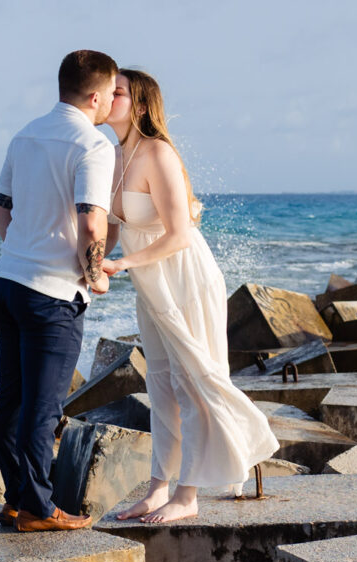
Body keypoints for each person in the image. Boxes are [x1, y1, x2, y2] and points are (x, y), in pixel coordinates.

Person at [103, 69, 278, 524]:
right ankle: (159, 486)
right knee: (160, 385)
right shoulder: (112, 156)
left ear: (139, 106)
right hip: (150, 284)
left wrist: (123, 264)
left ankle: (189, 492)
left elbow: (180, 235)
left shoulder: (157, 153)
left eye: (116, 92)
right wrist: (91, 265)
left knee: (195, 382)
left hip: (184, 279)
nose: (106, 97)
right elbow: (112, 226)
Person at [0, 49, 118, 531]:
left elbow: (1, 206)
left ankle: (17, 499)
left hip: (7, 283)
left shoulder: (25, 135)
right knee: (42, 412)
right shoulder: (93, 146)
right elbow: (91, 222)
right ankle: (40, 510)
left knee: (11, 403)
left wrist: (23, 247)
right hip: (51, 295)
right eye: (110, 95)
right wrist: (96, 274)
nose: (110, 104)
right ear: (94, 95)